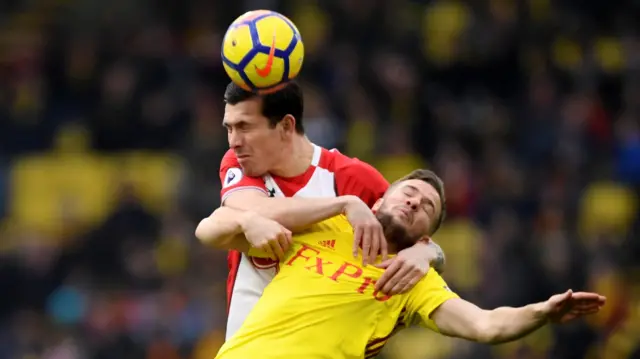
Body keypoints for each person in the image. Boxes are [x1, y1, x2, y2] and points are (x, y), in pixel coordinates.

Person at [197, 169, 606, 359]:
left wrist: (543, 312)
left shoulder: (413, 280)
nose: (414, 201)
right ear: (377, 201)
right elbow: (209, 231)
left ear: (426, 236)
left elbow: (486, 325)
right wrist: (250, 221)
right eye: (408, 192)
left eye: (426, 206)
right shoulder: (323, 225)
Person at [203, 82, 446, 339]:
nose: (234, 142)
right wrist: (344, 204)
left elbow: (411, 224)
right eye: (229, 128)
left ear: (286, 126)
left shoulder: (352, 177)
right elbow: (255, 210)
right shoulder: (241, 162)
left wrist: (427, 253)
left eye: (245, 127)